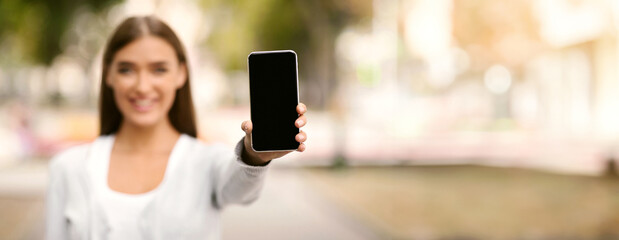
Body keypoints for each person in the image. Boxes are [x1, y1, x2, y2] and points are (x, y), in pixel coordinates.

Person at [46, 15, 308, 240]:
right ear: (109, 75)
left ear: (181, 73)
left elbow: (240, 189)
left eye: (159, 69)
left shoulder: (206, 161)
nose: (142, 86)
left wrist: (255, 156)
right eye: (127, 70)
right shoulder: (68, 168)